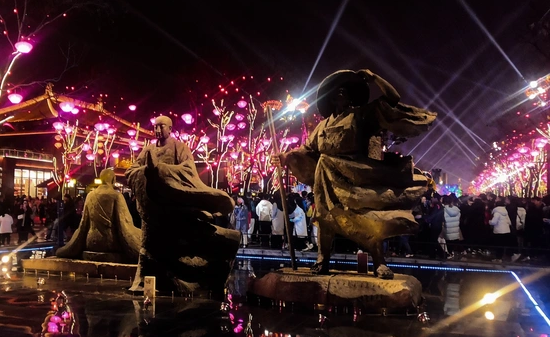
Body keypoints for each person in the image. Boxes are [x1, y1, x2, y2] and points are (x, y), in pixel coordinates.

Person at [273, 69, 436, 279]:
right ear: (332, 97)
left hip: (355, 175)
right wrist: (286, 157)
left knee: (366, 218)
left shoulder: (361, 116)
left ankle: (379, 262)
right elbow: (306, 149)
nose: (342, 94)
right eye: (338, 92)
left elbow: (392, 99)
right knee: (325, 218)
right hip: (325, 178)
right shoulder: (322, 126)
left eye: (345, 91)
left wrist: (374, 77)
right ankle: (322, 260)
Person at [126, 115, 239, 293]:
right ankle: (143, 281)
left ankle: (198, 275)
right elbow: (131, 171)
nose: (157, 130)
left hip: (174, 206)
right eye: (155, 127)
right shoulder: (148, 150)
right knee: (148, 245)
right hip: (152, 209)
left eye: (161, 126)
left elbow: (188, 170)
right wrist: (147, 173)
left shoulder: (179, 148)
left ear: (170, 129)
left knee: (183, 242)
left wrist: (161, 171)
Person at [56, 169, 142, 262]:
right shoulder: (116, 196)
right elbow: (124, 223)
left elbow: (83, 223)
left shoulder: (90, 195)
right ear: (113, 180)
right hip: (110, 242)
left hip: (91, 241)